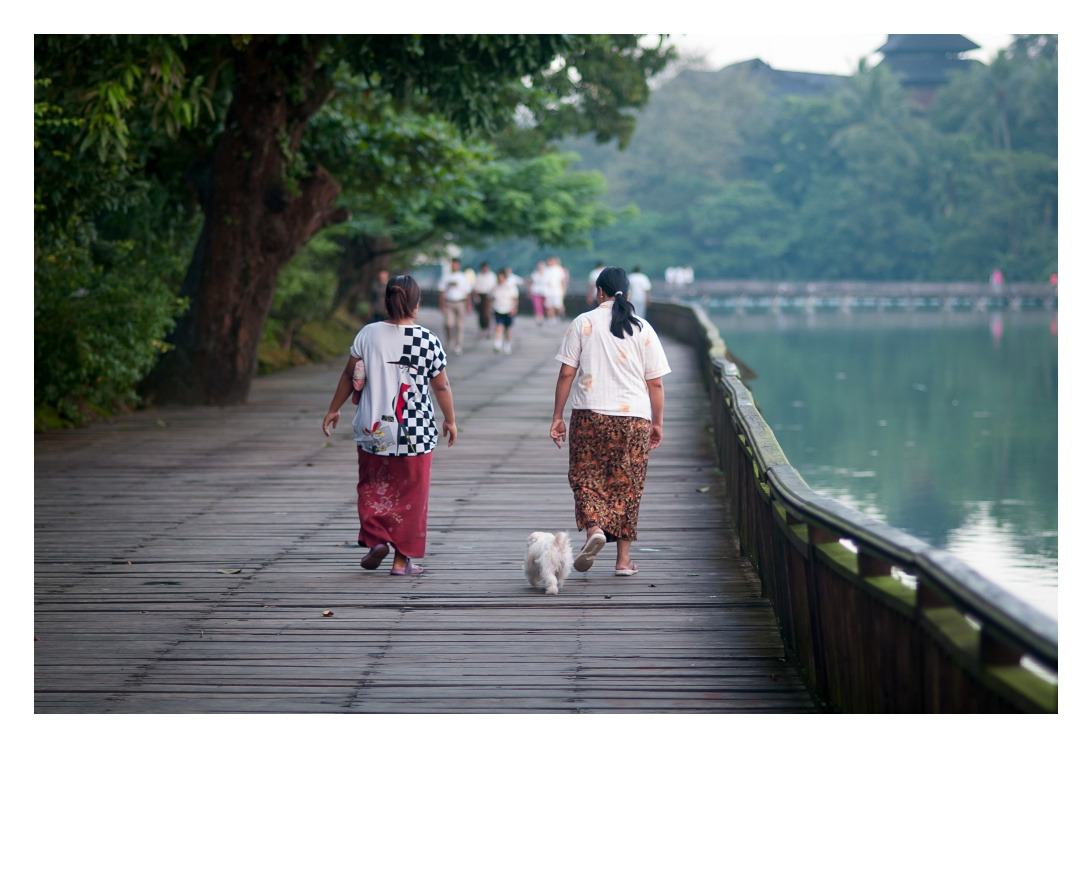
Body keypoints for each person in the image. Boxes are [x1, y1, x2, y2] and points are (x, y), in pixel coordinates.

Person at [323, 274, 457, 575]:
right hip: (415, 432)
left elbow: (349, 375)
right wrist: (449, 420)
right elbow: (442, 386)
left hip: (374, 430)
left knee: (372, 487)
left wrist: (333, 409)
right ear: (416, 303)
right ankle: (401, 560)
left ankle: (377, 539)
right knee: (413, 494)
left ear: (386, 301)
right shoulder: (427, 339)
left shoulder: (368, 334)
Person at [550, 266, 671, 576]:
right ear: (628, 294)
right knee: (627, 485)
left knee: (586, 477)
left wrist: (557, 416)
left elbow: (566, 373)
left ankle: (594, 530)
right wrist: (657, 422)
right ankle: (623, 561)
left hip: (589, 414)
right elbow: (656, 383)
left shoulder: (583, 322)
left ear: (599, 292)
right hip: (634, 418)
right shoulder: (643, 328)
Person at [439, 257, 472, 354]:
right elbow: (442, 291)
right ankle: (449, 341)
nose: (455, 266)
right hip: (449, 302)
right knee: (448, 324)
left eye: (456, 264)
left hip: (461, 302)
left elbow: (467, 292)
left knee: (460, 325)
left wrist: (468, 305)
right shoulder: (446, 277)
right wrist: (441, 305)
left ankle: (458, 345)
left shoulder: (462, 277)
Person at [491, 266, 521, 354]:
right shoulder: (495, 287)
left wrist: (514, 308)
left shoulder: (510, 286)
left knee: (507, 329)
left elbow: (515, 298)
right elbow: (491, 298)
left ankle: (507, 345)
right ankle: (497, 344)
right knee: (498, 327)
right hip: (498, 309)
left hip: (508, 309)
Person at [472, 261, 497, 338]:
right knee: (481, 314)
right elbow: (475, 287)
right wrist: (476, 296)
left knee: (487, 313)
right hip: (480, 296)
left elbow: (494, 286)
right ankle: (482, 328)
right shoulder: (479, 276)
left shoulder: (492, 276)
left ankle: (488, 328)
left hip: (488, 296)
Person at [543, 256, 568, 323]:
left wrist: (563, 289)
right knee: (549, 305)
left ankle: (562, 316)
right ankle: (551, 318)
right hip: (548, 291)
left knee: (558, 304)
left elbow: (562, 280)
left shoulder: (559, 269)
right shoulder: (547, 270)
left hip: (557, 290)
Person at [529, 261, 548, 325]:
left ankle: (543, 316)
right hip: (536, 292)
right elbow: (531, 283)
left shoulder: (547, 274)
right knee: (537, 305)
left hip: (544, 292)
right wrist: (529, 291)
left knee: (544, 306)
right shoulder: (535, 274)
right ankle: (538, 317)